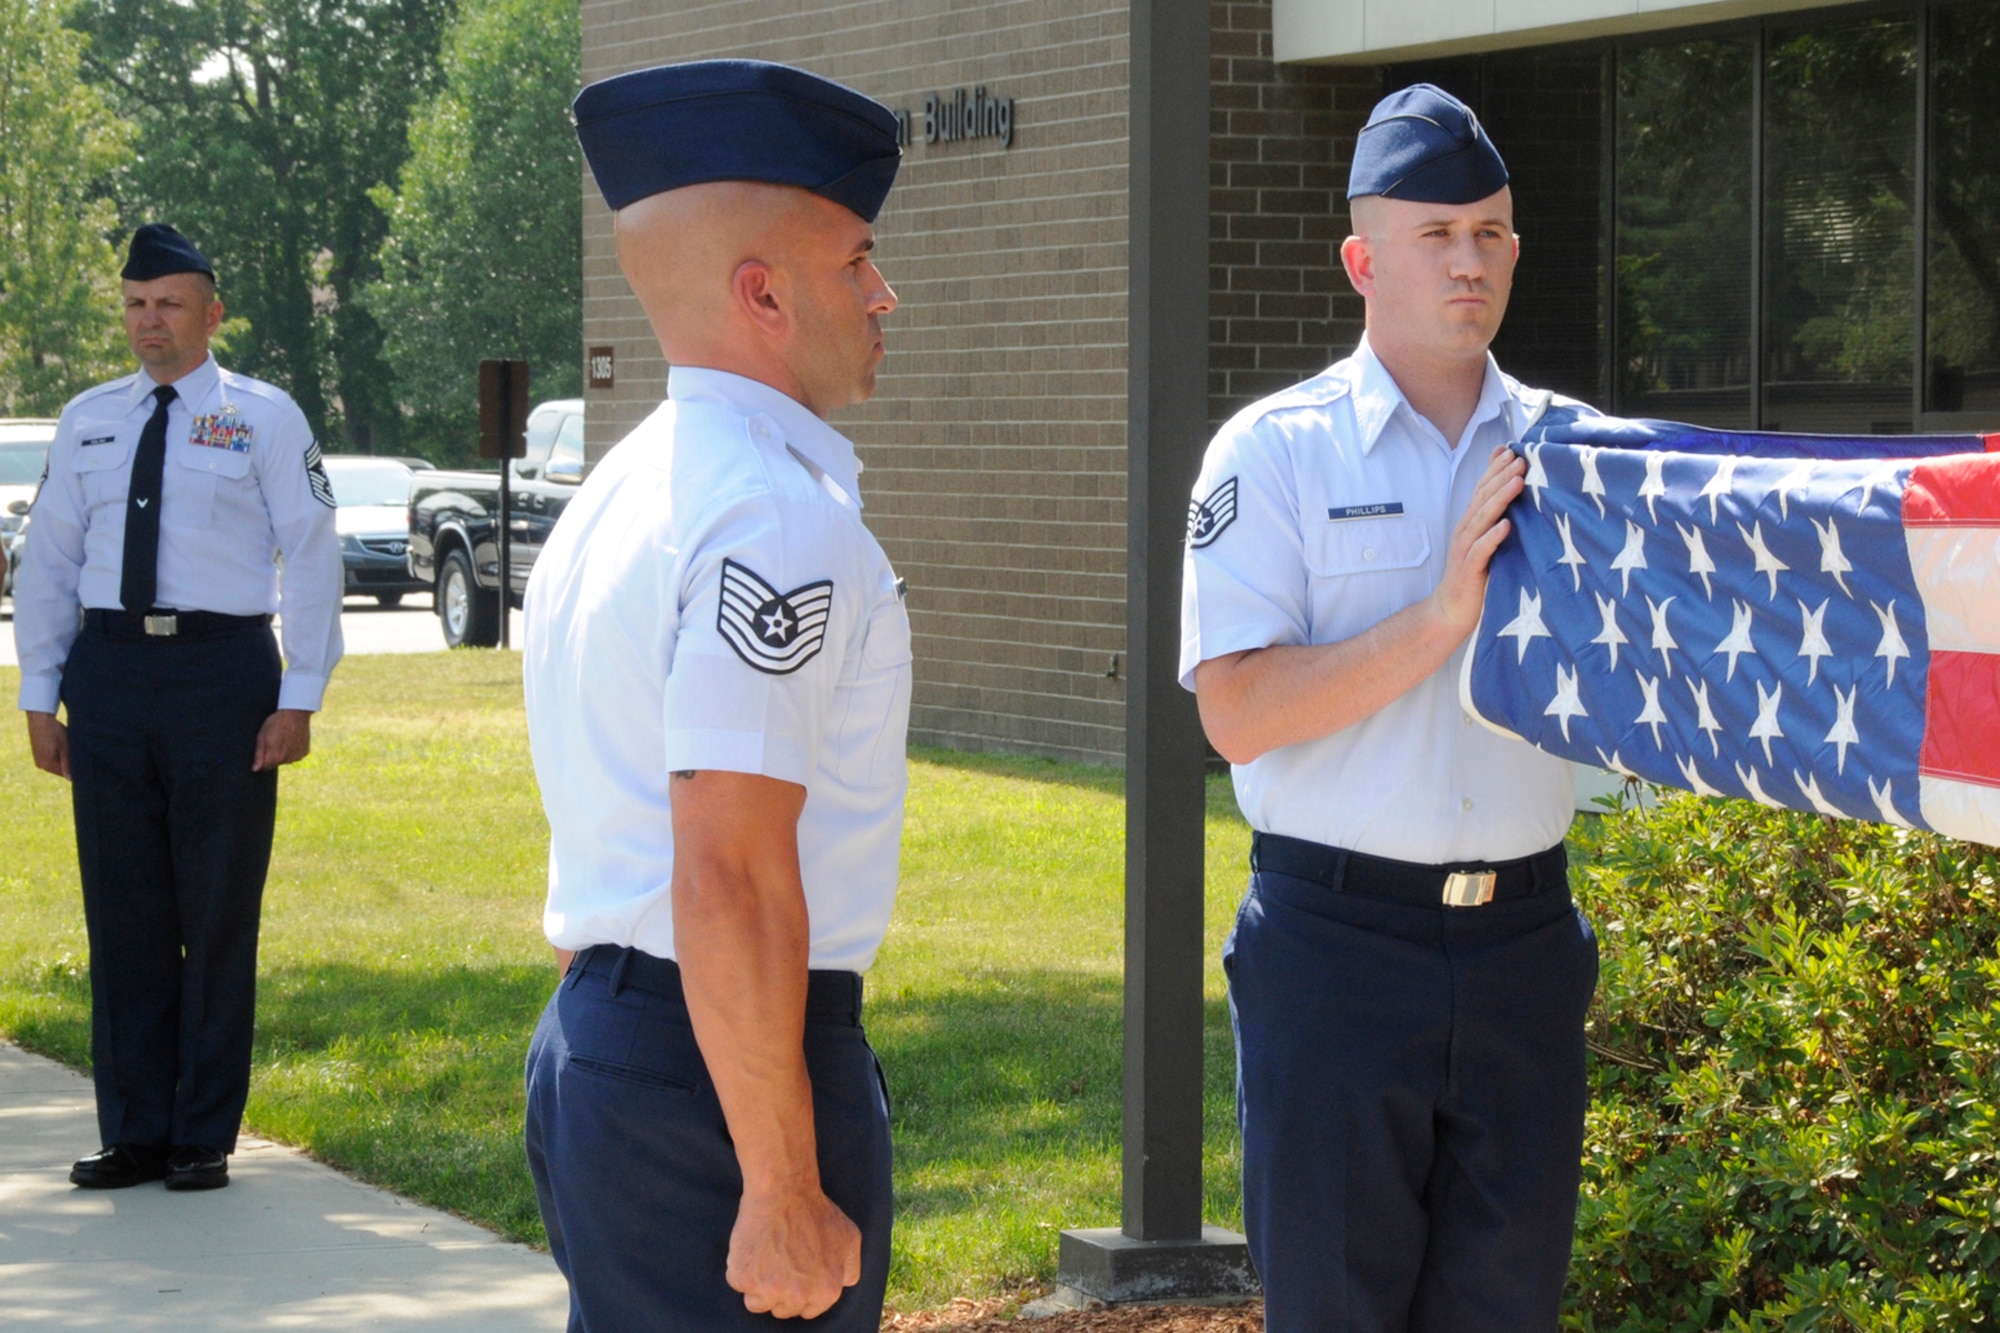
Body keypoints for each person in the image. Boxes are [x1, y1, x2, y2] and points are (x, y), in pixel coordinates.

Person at [1180, 84, 1601, 1330]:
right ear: (1363, 259)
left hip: (1526, 946)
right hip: (1336, 950)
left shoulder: (1573, 454)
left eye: (1489, 233)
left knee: (1504, 1311)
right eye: (1435, 236)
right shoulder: (1274, 452)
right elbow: (1236, 711)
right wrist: (1434, 621)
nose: (1468, 262)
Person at [521, 60, 911, 1330]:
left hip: (624, 1038)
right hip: (721, 1076)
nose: (882, 292)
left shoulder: (626, 488)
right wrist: (782, 1181)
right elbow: (730, 868)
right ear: (763, 292)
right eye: (856, 260)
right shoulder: (770, 515)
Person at [16, 223, 344, 1193]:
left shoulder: (265, 418)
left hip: (222, 678)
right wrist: (41, 691)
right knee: (123, 915)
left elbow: (313, 555)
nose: (147, 320)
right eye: (133, 303)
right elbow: (51, 563)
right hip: (110, 676)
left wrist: (301, 695)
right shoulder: (87, 420)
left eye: (167, 302)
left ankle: (202, 1133)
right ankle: (135, 1132)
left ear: (212, 313)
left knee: (216, 909)